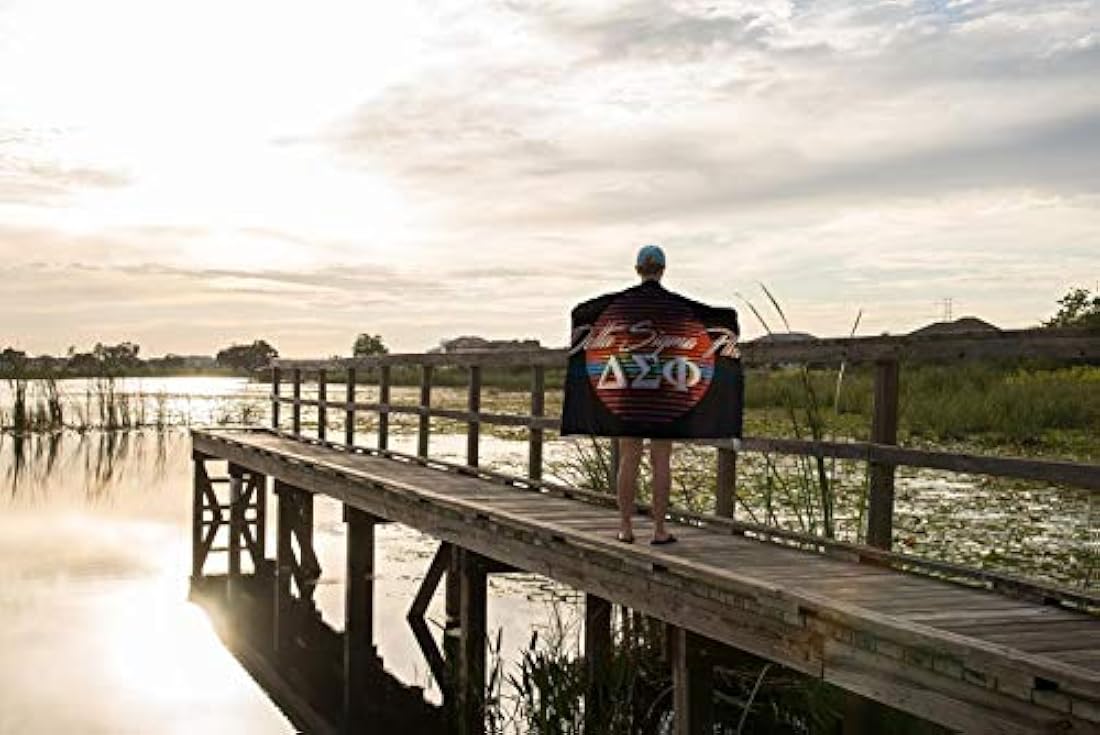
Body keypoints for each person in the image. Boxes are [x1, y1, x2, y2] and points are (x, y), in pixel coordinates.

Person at [617, 244, 676, 545]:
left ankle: (626, 528)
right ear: (662, 270)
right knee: (661, 457)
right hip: (662, 386)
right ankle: (659, 530)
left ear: (638, 269)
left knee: (629, 457)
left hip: (630, 383)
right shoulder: (674, 306)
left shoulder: (623, 304)